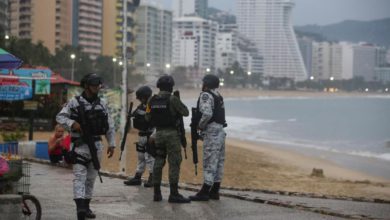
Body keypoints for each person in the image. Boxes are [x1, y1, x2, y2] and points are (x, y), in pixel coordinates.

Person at [56, 73, 116, 220]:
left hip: (96, 146)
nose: (97, 87)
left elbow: (110, 125)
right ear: (87, 86)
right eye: (94, 85)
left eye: (98, 85)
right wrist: (73, 124)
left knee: (91, 179)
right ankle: (80, 209)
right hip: (79, 146)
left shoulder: (102, 103)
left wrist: (112, 144)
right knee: (79, 178)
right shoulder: (74, 102)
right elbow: (60, 117)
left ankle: (86, 207)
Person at [146, 74, 190, 203]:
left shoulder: (151, 100)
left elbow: (147, 118)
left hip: (158, 134)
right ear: (171, 87)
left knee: (158, 162)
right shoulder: (172, 99)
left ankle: (157, 193)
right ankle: (174, 194)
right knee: (174, 163)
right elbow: (185, 112)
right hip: (172, 135)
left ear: (159, 87)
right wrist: (177, 100)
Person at [189, 74, 226, 201]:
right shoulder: (218, 95)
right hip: (220, 131)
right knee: (219, 162)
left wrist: (199, 126)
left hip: (211, 131)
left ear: (207, 84)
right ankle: (215, 191)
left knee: (209, 161)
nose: (202, 85)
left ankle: (205, 191)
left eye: (203, 82)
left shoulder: (206, 95)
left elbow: (207, 113)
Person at [124, 85, 155, 187]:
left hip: (149, 136)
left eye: (141, 97)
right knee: (141, 157)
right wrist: (130, 116)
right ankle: (138, 177)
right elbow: (134, 115)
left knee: (149, 157)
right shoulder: (141, 106)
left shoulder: (152, 107)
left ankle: (152, 177)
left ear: (145, 96)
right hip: (141, 135)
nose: (140, 100)